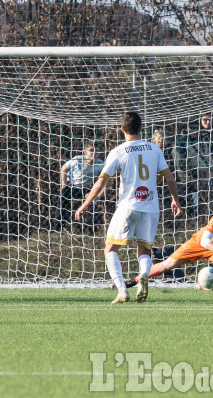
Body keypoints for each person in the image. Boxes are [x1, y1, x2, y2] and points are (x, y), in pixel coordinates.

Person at [75, 112, 181, 304]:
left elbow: (100, 184)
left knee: (110, 249)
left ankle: (122, 290)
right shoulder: (155, 149)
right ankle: (143, 276)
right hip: (150, 208)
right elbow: (170, 179)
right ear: (141, 129)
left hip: (127, 207)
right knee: (144, 250)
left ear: (122, 129)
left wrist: (85, 204)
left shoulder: (118, 151)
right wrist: (175, 200)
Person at [122, 201, 213, 290]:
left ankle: (208, 278)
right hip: (198, 243)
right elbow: (205, 241)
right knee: (167, 265)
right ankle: (135, 281)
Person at [58, 140, 105, 234]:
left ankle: (92, 232)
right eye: (91, 150)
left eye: (96, 151)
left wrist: (98, 195)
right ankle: (58, 228)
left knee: (93, 202)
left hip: (87, 188)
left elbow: (107, 182)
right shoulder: (77, 160)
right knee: (62, 197)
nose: (94, 153)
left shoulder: (101, 164)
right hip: (73, 186)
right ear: (85, 152)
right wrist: (64, 184)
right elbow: (63, 169)